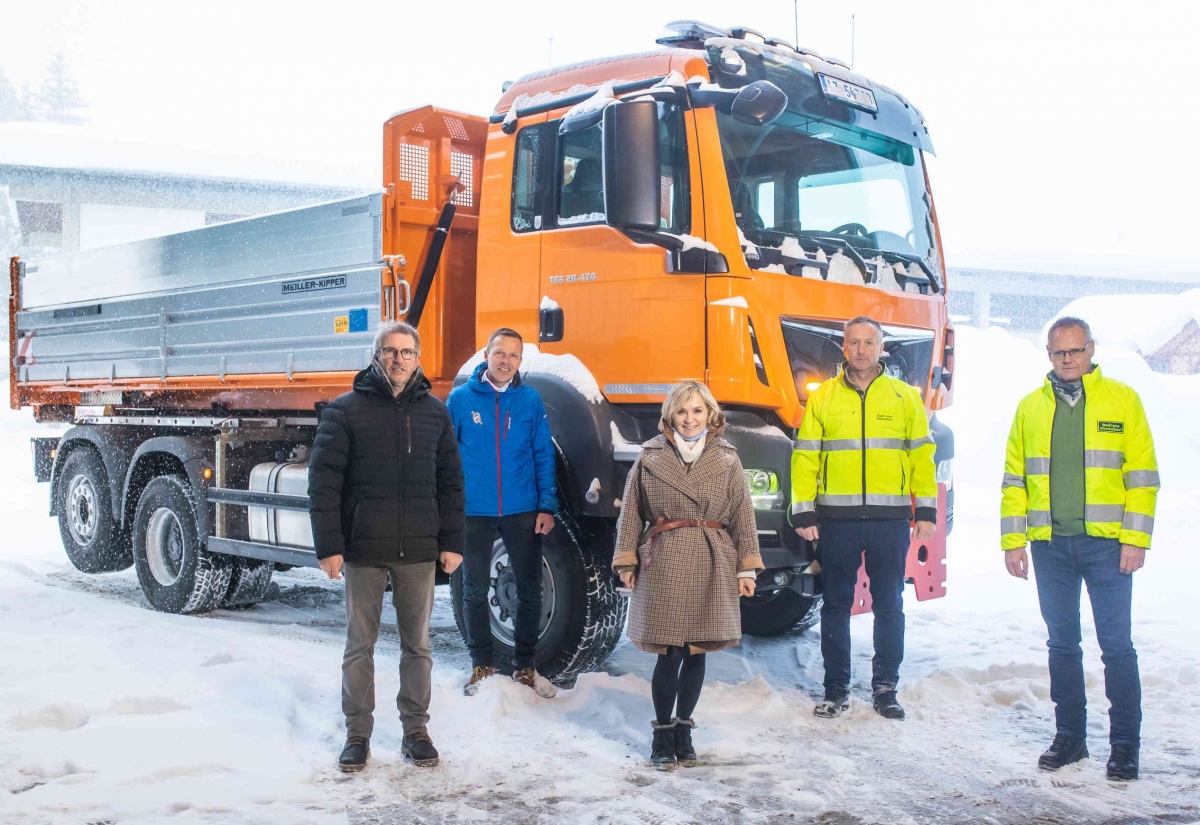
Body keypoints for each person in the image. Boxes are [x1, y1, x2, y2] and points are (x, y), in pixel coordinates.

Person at [1001, 316, 1157, 781]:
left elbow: (1143, 477)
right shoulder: (1030, 407)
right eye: (1058, 352)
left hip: (1108, 548)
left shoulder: (1122, 400)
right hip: (1051, 547)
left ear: (1091, 349)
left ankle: (1125, 746)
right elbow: (1014, 479)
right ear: (1048, 354)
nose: (1067, 360)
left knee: (1116, 647)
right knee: (1062, 645)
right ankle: (1070, 737)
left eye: (1075, 351)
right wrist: (1014, 541)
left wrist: (1135, 538)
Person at [308, 321, 465, 772]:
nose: (399, 359)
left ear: (418, 358)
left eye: (407, 352)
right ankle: (357, 734)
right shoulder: (345, 410)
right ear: (376, 356)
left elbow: (451, 482)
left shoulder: (436, 413)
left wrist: (452, 541)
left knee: (418, 645)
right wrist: (330, 546)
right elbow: (324, 483)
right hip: (363, 549)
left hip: (418, 548)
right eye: (390, 351)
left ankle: (416, 731)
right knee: (360, 645)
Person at [790, 316, 937, 721]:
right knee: (835, 604)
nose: (860, 349)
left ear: (881, 347)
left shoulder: (905, 397)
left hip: (890, 522)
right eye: (853, 342)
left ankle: (886, 688)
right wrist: (802, 509)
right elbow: (805, 458)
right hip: (837, 521)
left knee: (889, 604)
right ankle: (835, 689)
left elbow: (922, 458)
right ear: (843, 347)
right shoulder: (823, 399)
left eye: (868, 342)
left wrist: (925, 509)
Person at [612, 381, 763, 769]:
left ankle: (684, 729)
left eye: (697, 411)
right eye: (682, 411)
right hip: (664, 560)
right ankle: (662, 732)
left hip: (712, 559)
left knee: (697, 651)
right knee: (669, 651)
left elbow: (744, 517)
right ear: (670, 416)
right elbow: (631, 513)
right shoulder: (649, 457)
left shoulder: (728, 459)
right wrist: (626, 561)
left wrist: (747, 567)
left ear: (710, 415)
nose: (690, 418)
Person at [447, 328, 559, 698]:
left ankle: (525, 667)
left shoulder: (529, 401)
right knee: (474, 590)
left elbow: (542, 454)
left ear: (520, 361)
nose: (505, 361)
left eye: (513, 355)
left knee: (530, 590)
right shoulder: (461, 400)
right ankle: (481, 665)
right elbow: (445, 459)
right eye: (499, 353)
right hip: (473, 510)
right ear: (486, 356)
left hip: (522, 509)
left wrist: (547, 505)